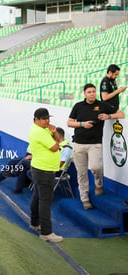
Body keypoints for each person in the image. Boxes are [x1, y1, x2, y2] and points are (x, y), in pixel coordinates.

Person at [67, 83, 125, 210]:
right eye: (89, 92)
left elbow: (121, 115)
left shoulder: (102, 105)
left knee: (96, 167)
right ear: (84, 93)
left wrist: (108, 116)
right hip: (78, 144)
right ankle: (85, 198)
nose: (92, 93)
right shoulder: (78, 106)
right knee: (81, 173)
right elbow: (69, 122)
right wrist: (82, 124)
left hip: (95, 143)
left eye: (93, 91)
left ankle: (99, 184)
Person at [28, 107, 63, 243]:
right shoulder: (40, 132)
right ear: (36, 119)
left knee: (38, 197)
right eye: (44, 119)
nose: (47, 121)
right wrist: (56, 139)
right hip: (44, 170)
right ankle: (46, 232)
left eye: (48, 118)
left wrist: (54, 134)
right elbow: (55, 147)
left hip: (40, 168)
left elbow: (56, 138)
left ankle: (35, 222)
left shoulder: (41, 129)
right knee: (45, 201)